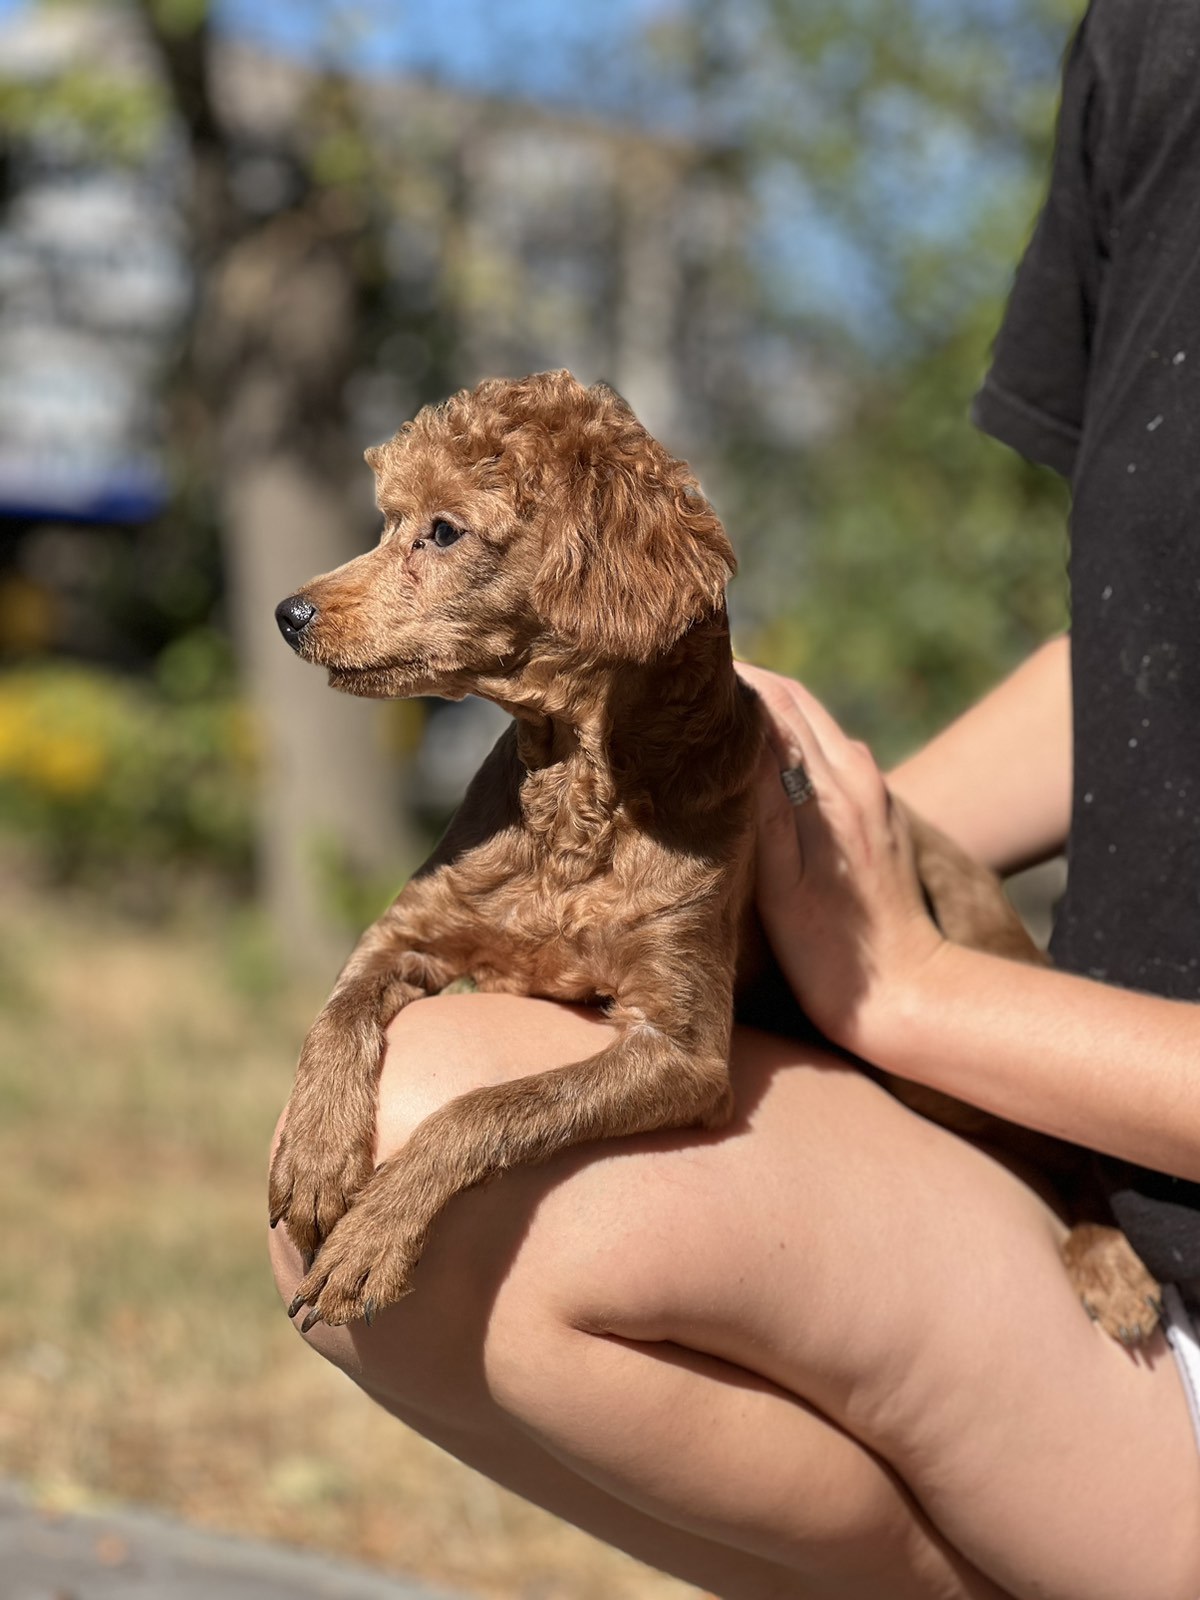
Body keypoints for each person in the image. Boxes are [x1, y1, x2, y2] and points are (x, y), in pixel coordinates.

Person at [270, 1, 1200, 1594]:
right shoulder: (1154, 47)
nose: (346, 589)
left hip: (1111, 1207)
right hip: (1097, 1157)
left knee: (460, 1169)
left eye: (433, 542)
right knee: (353, 1204)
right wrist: (801, 841)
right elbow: (1148, 650)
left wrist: (906, 992)